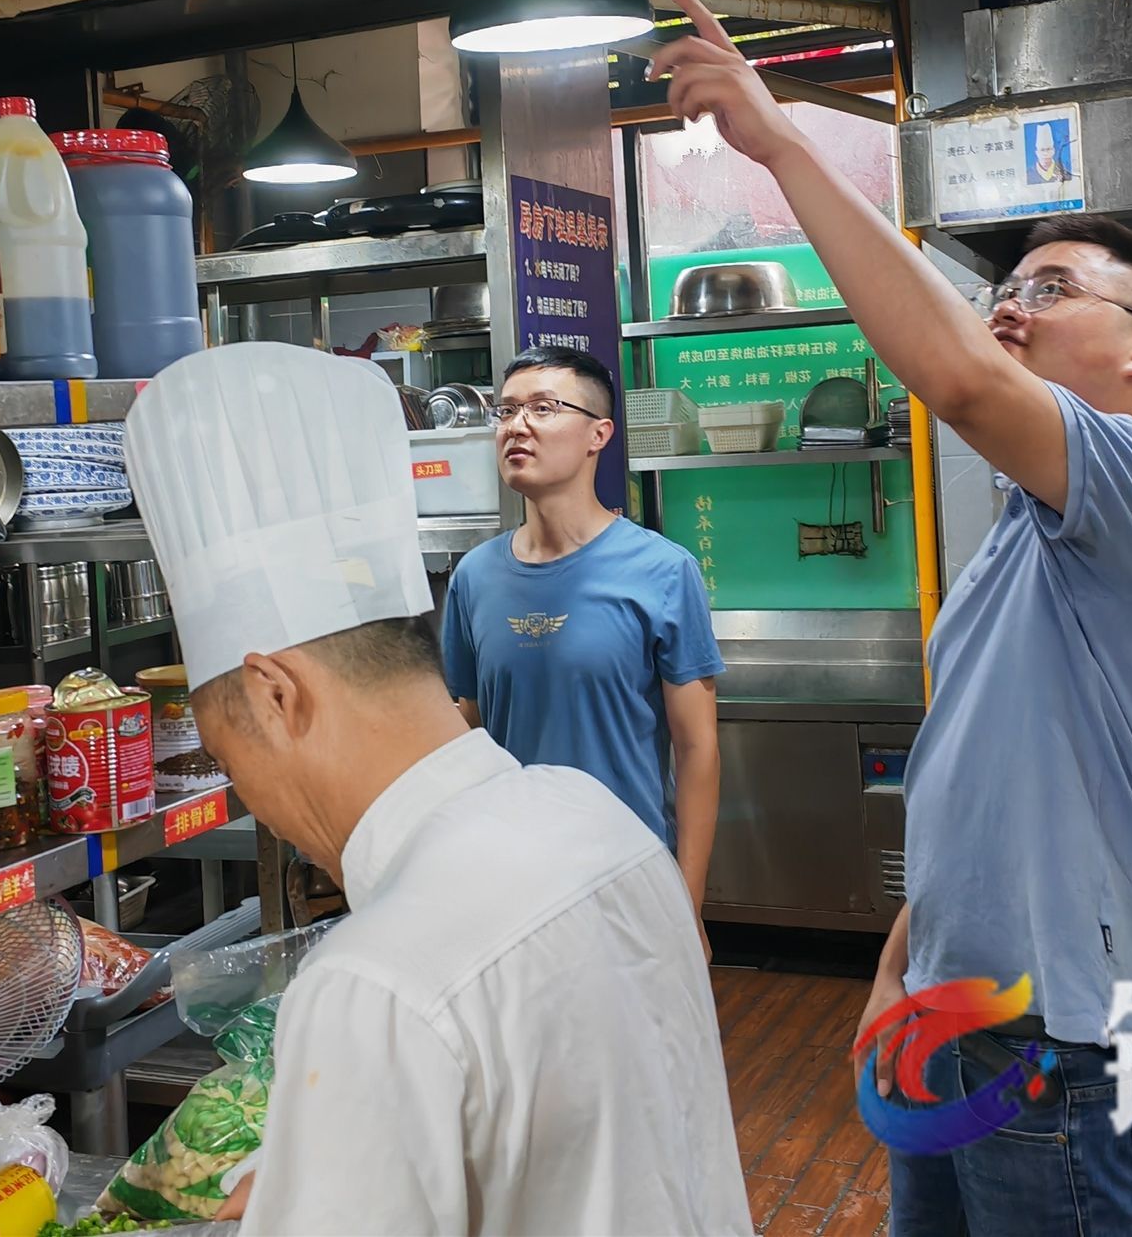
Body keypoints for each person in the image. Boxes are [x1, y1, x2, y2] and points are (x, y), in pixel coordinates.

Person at [653, 0, 1132, 1236]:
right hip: (960, 1013)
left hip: (1075, 1037)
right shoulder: (1015, 540)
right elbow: (981, 778)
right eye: (1008, 287)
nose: (1011, 307)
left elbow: (961, 380)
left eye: (1054, 289)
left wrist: (779, 143)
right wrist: (896, 973)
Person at [124, 342, 749, 1237]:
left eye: (229, 762)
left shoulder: (370, 986)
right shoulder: (603, 828)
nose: (248, 796)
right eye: (507, 407)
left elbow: (695, 742)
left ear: (274, 694)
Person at [441, 344, 725, 939]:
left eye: (543, 408)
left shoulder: (662, 570)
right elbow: (465, 726)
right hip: (511, 881)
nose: (517, 425)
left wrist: (687, 903)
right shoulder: (474, 577)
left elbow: (696, 750)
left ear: (598, 434)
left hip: (627, 874)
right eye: (507, 410)